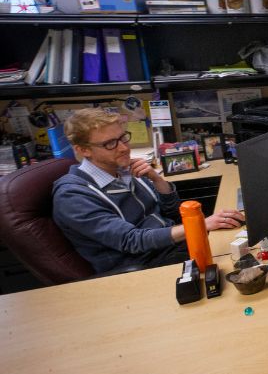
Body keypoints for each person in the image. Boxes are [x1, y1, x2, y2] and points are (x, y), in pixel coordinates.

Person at [52, 108, 244, 273]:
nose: (123, 148)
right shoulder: (72, 196)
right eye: (110, 143)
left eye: (123, 138)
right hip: (145, 265)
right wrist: (200, 225)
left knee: (243, 243)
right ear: (83, 150)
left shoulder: (124, 169)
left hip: (171, 247)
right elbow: (132, 241)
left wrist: (156, 179)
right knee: (234, 264)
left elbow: (173, 213)